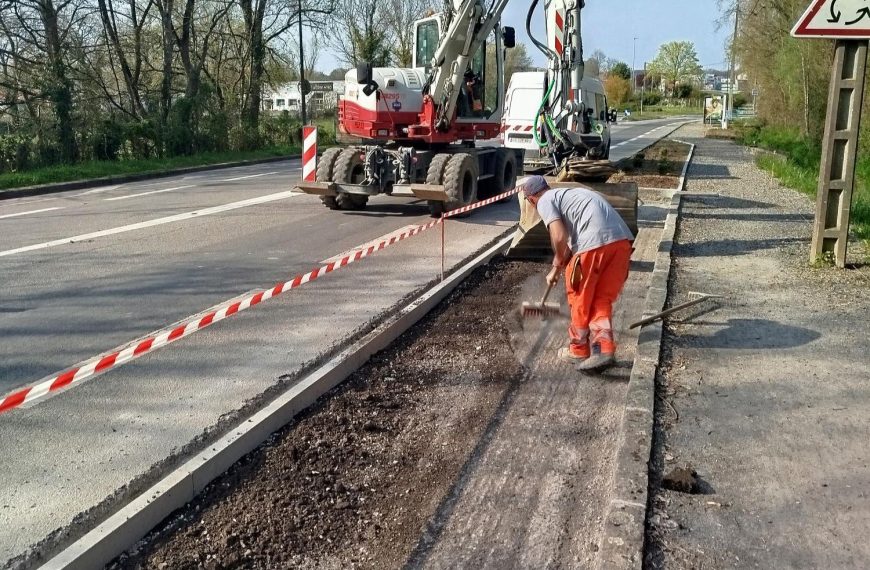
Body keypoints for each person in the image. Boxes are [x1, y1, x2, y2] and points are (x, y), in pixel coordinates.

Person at [518, 175, 634, 371]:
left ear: (531, 199)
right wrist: (559, 266)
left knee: (580, 298)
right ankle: (603, 349)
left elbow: (559, 236)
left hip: (593, 245)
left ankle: (578, 351)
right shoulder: (571, 195)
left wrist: (556, 266)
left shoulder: (544, 201)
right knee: (600, 300)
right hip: (621, 245)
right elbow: (569, 243)